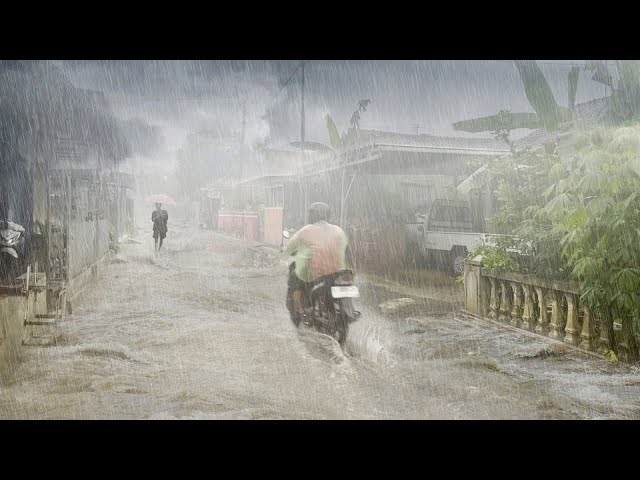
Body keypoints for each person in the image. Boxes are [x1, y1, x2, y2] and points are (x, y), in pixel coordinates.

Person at [284, 202, 350, 326]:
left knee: (294, 276)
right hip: (338, 272)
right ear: (328, 215)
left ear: (312, 216)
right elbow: (347, 248)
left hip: (317, 274)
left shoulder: (307, 230)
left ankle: (300, 310)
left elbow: (290, 248)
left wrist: (284, 250)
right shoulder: (338, 230)